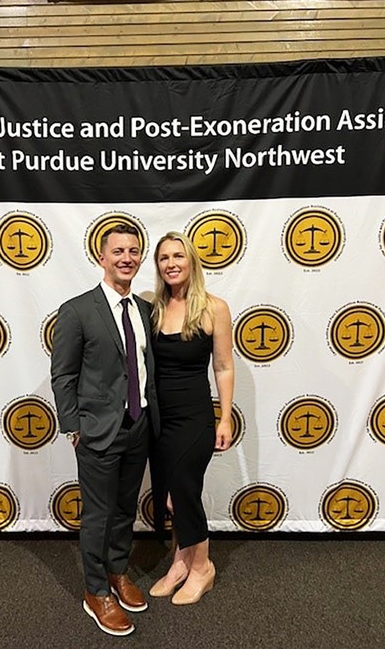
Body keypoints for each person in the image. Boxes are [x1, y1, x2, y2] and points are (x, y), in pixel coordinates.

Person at [50, 223, 160, 636]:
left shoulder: (145, 311)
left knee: (125, 509)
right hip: (97, 431)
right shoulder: (77, 310)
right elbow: (63, 375)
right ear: (102, 258)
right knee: (98, 514)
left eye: (133, 251)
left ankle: (117, 571)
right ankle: (96, 591)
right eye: (118, 251)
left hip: (138, 426)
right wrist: (73, 427)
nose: (126, 258)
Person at [146, 231, 234, 605]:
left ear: (192, 261)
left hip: (195, 417)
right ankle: (179, 563)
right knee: (169, 494)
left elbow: (224, 367)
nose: (171, 263)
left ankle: (202, 567)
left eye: (178, 256)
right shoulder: (152, 308)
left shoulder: (214, 308)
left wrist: (224, 418)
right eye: (164, 258)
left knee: (182, 491)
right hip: (158, 420)